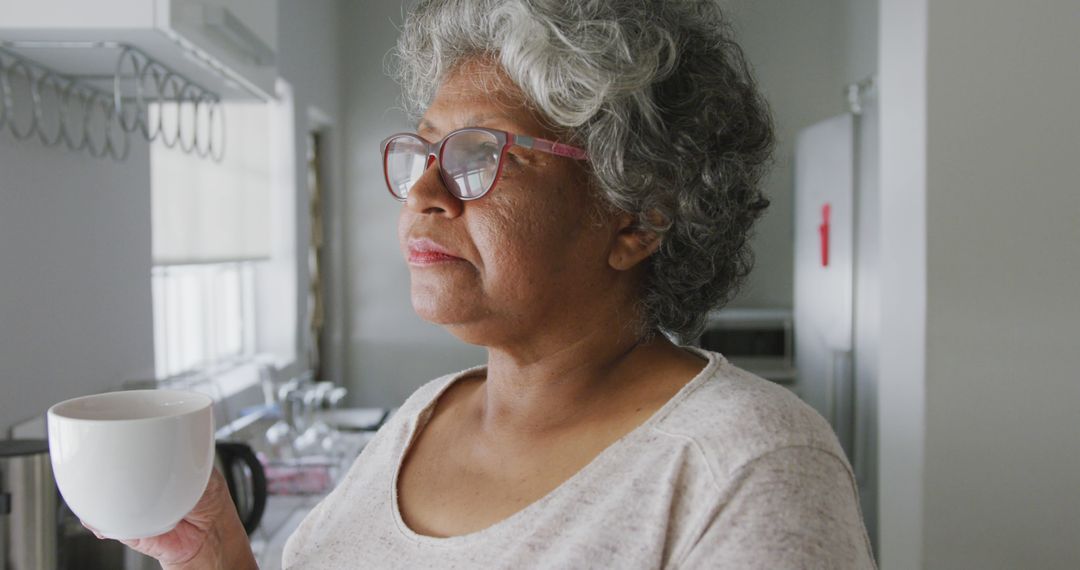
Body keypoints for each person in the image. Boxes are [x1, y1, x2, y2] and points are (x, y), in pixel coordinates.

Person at [89, 0, 876, 568]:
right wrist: (215, 556)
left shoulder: (748, 467)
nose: (424, 191)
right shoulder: (417, 421)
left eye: (478, 156)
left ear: (638, 216)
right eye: (425, 152)